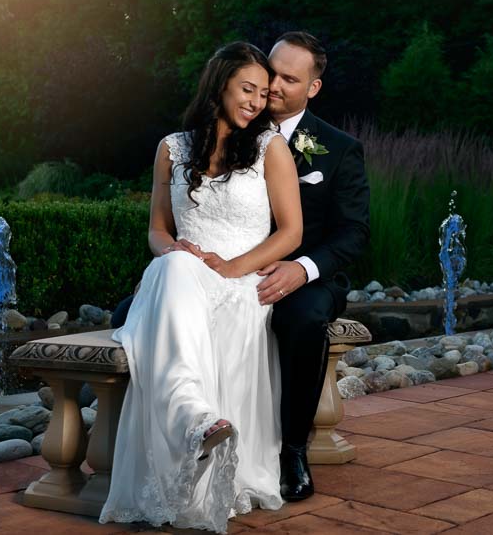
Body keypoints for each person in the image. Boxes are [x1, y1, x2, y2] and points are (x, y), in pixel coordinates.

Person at [98, 42, 301, 533]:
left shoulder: (271, 148)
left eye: (262, 93)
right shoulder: (172, 147)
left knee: (176, 284)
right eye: (246, 89)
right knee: (170, 270)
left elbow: (290, 233)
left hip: (240, 280)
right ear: (219, 86)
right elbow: (157, 230)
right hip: (183, 276)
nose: (256, 101)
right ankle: (195, 418)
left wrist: (232, 267)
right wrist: (175, 251)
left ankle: (191, 421)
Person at [254, 32, 370, 501]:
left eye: (289, 78)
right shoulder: (236, 127)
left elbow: (354, 233)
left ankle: (292, 450)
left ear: (313, 88)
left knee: (300, 318)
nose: (274, 85)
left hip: (310, 274)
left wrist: (302, 268)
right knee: (131, 315)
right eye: (271, 72)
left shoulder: (338, 149)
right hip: (238, 266)